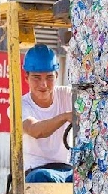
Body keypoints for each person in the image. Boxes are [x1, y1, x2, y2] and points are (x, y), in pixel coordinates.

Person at [19, 44, 73, 183]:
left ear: (57, 75)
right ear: (26, 78)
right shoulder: (21, 105)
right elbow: (35, 130)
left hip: (66, 170)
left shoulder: (67, 95)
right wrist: (65, 116)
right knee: (43, 178)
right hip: (36, 171)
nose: (43, 84)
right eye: (36, 77)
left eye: (49, 77)